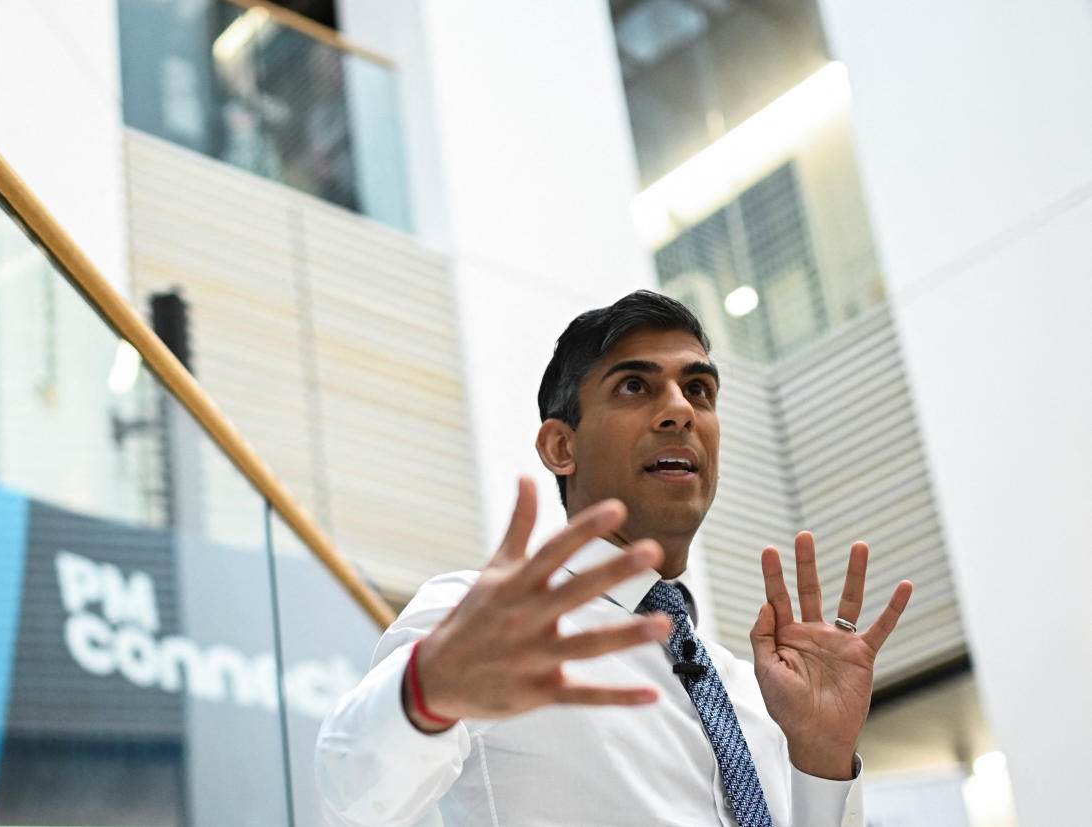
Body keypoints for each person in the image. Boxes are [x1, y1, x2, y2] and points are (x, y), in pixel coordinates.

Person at [315, 290, 913, 826]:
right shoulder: (485, 623)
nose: (680, 410)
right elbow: (350, 797)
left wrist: (820, 761)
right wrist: (427, 691)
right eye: (635, 386)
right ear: (561, 445)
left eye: (699, 390)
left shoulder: (755, 692)